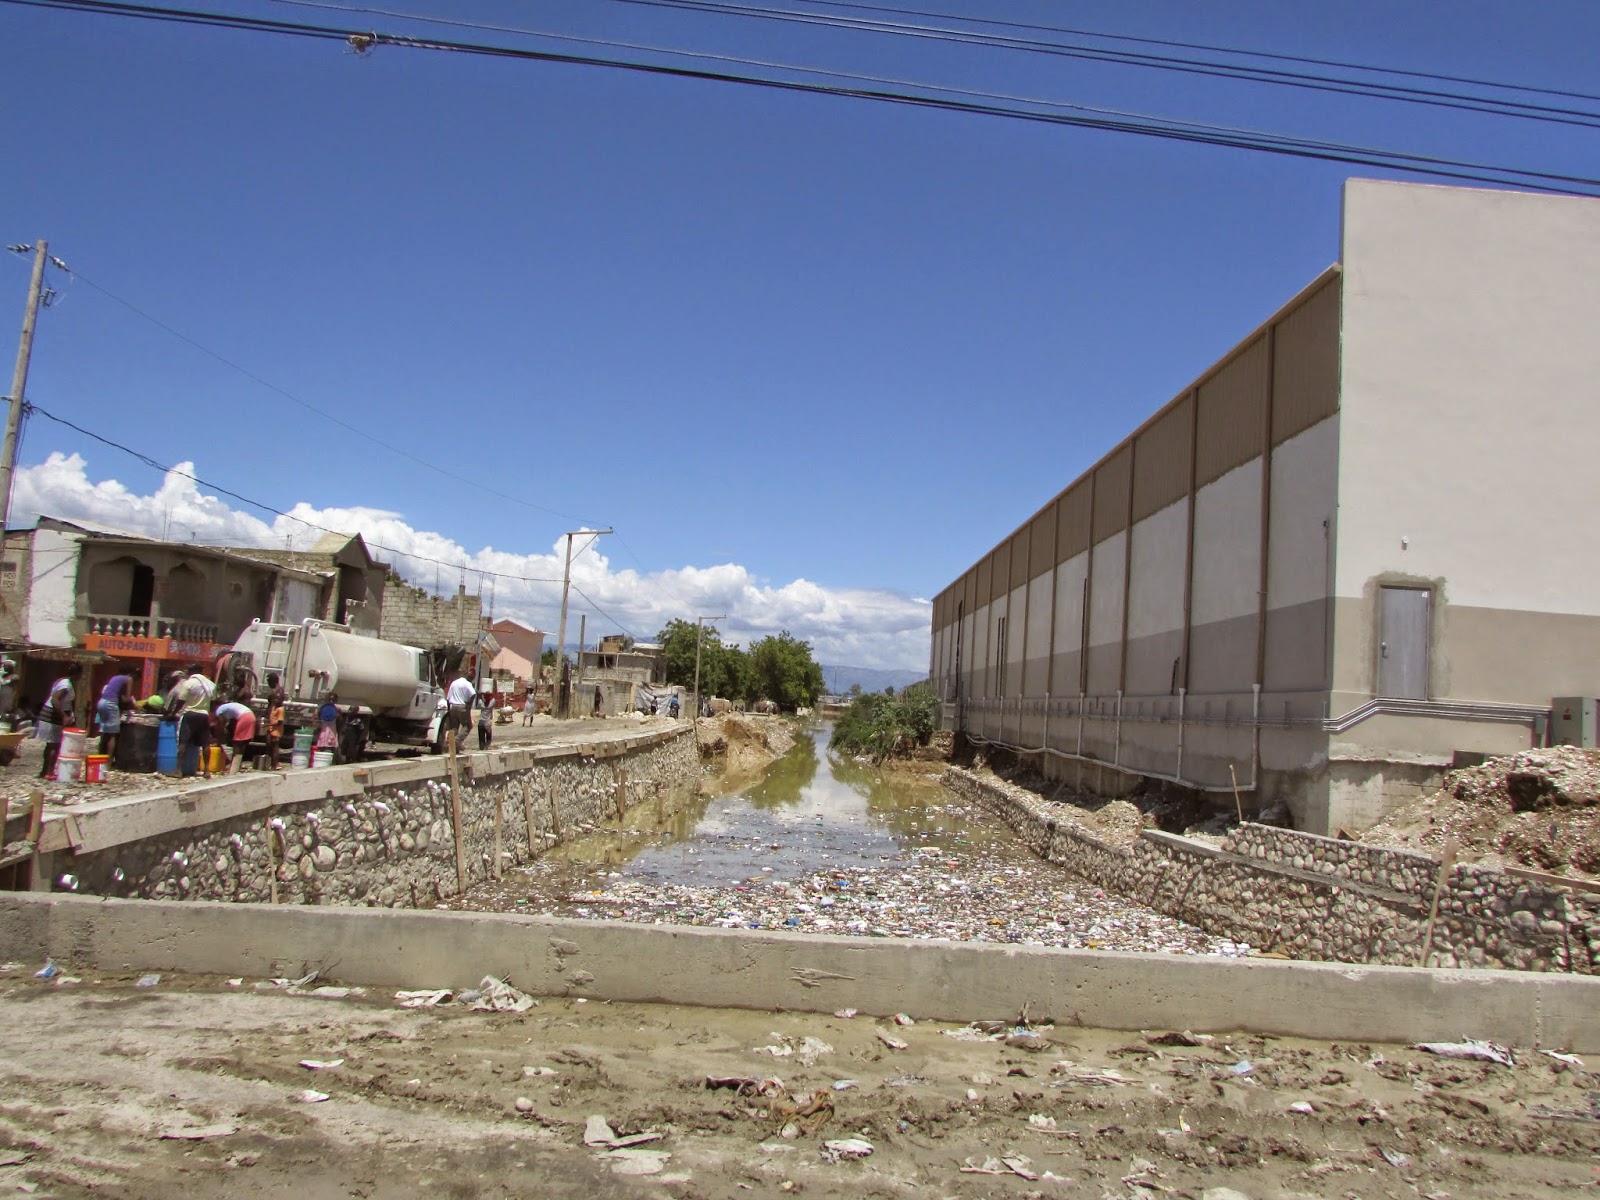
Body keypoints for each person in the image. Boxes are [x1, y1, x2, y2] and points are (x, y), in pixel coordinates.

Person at [165, 667, 215, 779]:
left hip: (190, 715)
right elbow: (214, 702)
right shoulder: (211, 685)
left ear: (191, 672)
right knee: (205, 743)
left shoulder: (189, 683)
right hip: (204, 715)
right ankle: (207, 770)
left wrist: (173, 713)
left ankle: (178, 770)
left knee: (183, 742)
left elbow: (181, 701)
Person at [36, 664, 80, 780]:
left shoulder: (62, 681)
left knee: (50, 744)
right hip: (52, 716)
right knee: (54, 745)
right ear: (77, 674)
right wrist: (64, 716)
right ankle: (49, 772)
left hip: (48, 714)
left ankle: (44, 771)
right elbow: (55, 700)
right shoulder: (66, 686)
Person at [96, 672, 136, 761]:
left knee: (104, 733)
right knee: (113, 735)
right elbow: (126, 699)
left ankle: (99, 759)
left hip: (101, 703)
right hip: (110, 704)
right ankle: (109, 762)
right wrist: (135, 706)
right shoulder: (129, 679)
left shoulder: (115, 678)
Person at [214, 695, 256, 774]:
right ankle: (237, 764)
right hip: (251, 715)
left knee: (237, 742)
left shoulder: (219, 710)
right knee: (242, 743)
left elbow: (221, 725)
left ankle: (232, 765)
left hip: (244, 717)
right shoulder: (230, 706)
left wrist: (219, 737)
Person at [441, 668, 474, 752]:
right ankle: (457, 740)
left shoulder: (454, 683)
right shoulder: (467, 684)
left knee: (454, 727)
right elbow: (473, 694)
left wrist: (449, 711)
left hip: (453, 707)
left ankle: (450, 745)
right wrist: (469, 707)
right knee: (468, 726)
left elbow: (448, 698)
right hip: (462, 707)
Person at [265, 672, 286, 770]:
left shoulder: (277, 692)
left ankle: (275, 763)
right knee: (269, 743)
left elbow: (279, 719)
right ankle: (270, 763)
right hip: (272, 721)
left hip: (275, 724)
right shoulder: (277, 691)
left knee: (274, 745)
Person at [315, 692, 339, 757]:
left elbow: (340, 721)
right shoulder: (322, 708)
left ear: (336, 701)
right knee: (321, 746)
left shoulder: (337, 709)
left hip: (332, 730)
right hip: (324, 730)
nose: (331, 701)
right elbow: (318, 718)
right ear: (327, 700)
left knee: (331, 747)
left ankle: (331, 760)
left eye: (333, 700)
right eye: (330, 700)